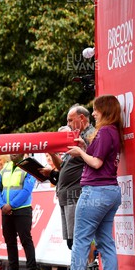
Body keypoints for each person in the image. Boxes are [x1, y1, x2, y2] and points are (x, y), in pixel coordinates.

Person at [50, 95, 124, 270]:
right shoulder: (113, 132)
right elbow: (100, 158)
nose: (93, 113)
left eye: (96, 109)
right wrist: (84, 146)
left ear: (105, 111)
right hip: (110, 191)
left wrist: (80, 152)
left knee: (81, 239)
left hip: (96, 191)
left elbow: (97, 163)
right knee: (105, 241)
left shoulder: (104, 132)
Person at [39, 105, 95, 250]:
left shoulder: (91, 136)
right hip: (65, 194)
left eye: (70, 120)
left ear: (81, 118)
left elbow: (95, 160)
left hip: (76, 194)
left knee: (78, 239)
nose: (68, 125)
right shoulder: (76, 138)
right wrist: (52, 155)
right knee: (71, 241)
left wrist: (83, 148)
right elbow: (64, 167)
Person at [0, 153, 38, 270]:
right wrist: (2, 205)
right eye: (12, 151)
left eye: (17, 151)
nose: (13, 154)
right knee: (10, 240)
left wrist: (11, 205)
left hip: (22, 210)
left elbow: (27, 190)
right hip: (6, 210)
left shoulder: (29, 168)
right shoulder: (5, 168)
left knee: (26, 240)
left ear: (23, 153)